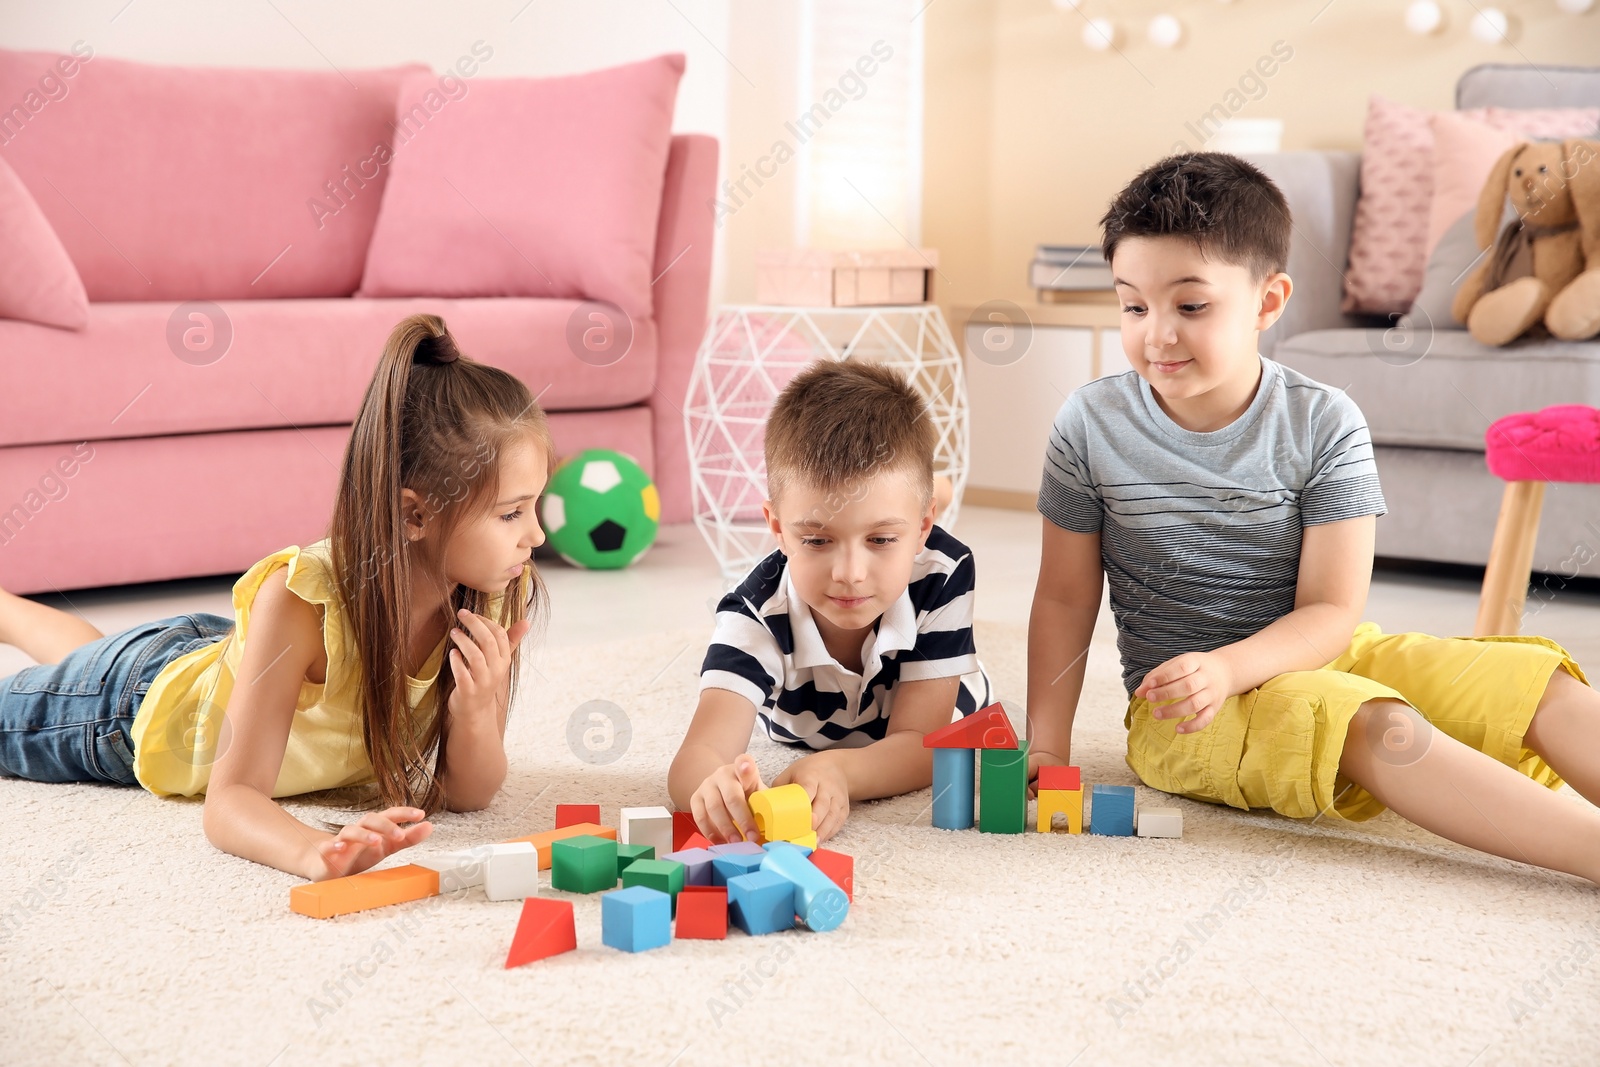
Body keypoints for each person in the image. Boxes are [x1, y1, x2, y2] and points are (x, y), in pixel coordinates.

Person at [1027, 152, 1600, 882]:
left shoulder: (1326, 421)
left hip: (1323, 649)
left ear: (1269, 302)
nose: (1158, 335)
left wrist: (1234, 663)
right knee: (1379, 724)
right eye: (1134, 305)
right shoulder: (1089, 423)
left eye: (1191, 306)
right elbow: (1065, 595)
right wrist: (1046, 748)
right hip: (1182, 710)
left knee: (1528, 677)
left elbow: (1332, 610)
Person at [0, 314, 551, 881]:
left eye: (534, 505)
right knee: (80, 679)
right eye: (511, 513)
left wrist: (475, 711)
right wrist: (311, 849)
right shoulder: (300, 601)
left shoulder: (492, 587)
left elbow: (469, 796)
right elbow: (231, 798)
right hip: (130, 709)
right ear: (414, 514)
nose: (535, 535)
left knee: (91, 655)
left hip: (222, 661)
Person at [669, 360, 990, 845]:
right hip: (810, 723)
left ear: (924, 529)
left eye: (881, 539)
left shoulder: (944, 572)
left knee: (957, 737)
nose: (849, 573)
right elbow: (698, 754)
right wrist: (713, 789)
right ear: (777, 528)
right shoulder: (754, 614)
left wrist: (840, 770)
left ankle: (929, 493)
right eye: (817, 541)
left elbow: (924, 746)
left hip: (947, 703)